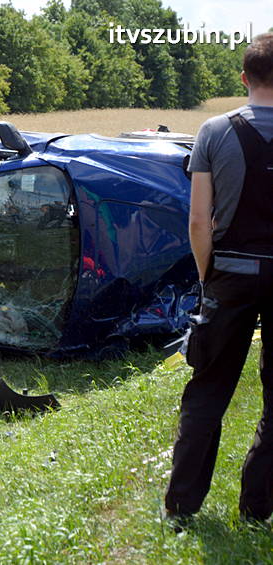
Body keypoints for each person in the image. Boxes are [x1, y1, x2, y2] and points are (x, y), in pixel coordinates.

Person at [164, 33, 273, 526]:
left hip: (228, 274)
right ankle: (257, 508)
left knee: (208, 390)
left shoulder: (212, 131)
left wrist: (208, 277)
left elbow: (197, 222)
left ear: (244, 77)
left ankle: (182, 508)